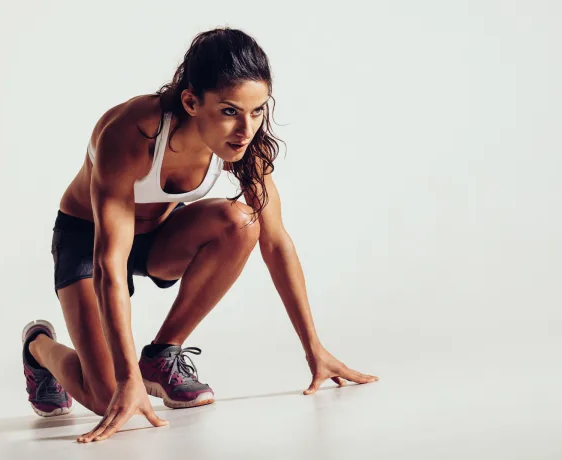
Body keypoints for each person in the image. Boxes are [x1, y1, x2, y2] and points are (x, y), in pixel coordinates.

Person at [20, 26, 378, 443]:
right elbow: (109, 264)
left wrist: (314, 348)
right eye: (229, 111)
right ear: (191, 101)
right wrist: (126, 378)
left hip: (159, 239)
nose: (246, 128)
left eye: (258, 110)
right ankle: (39, 348)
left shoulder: (247, 142)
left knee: (243, 221)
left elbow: (276, 242)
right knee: (108, 396)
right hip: (89, 240)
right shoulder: (131, 133)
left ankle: (162, 354)